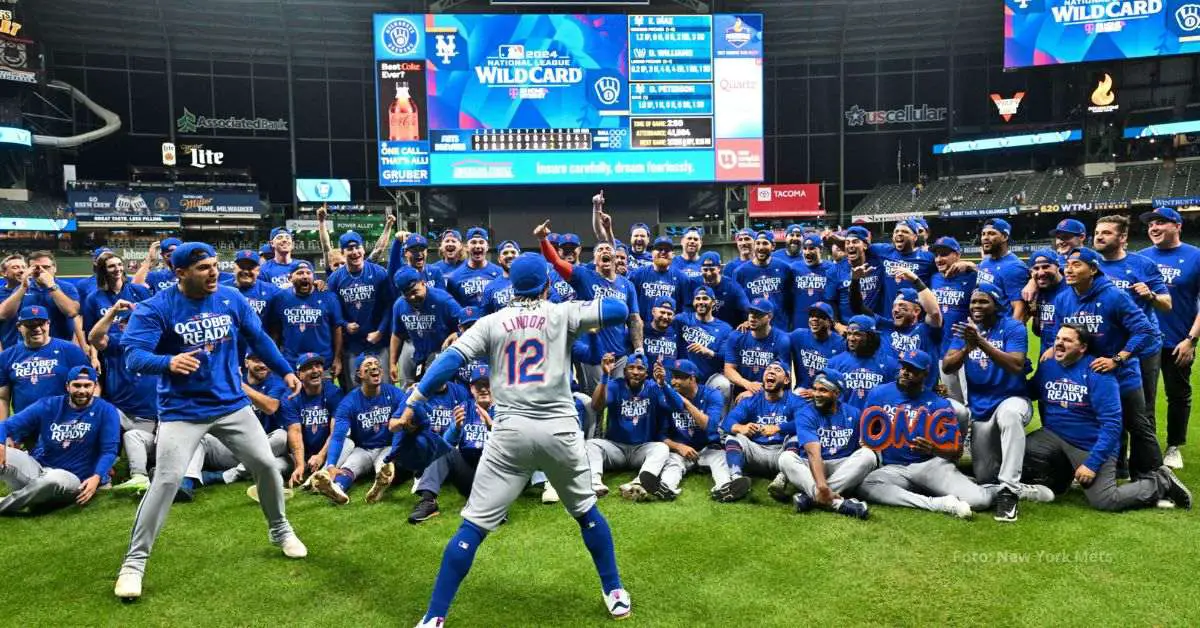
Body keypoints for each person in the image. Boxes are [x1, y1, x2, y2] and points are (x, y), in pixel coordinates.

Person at [392, 251, 632, 625]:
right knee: (586, 514)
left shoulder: (492, 321)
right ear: (547, 285)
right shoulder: (562, 312)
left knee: (472, 526)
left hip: (510, 433)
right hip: (559, 431)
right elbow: (618, 308)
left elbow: (450, 361)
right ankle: (614, 590)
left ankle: (434, 617)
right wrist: (579, 295)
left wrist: (416, 398)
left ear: (510, 287)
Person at [115, 242, 306, 601]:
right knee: (167, 480)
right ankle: (134, 563)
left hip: (231, 404)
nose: (214, 272)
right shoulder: (157, 307)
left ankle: (280, 529)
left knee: (266, 464)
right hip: (182, 410)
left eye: (216, 265)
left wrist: (285, 370)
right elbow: (133, 356)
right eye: (203, 267)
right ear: (180, 273)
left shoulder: (231, 298)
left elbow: (259, 338)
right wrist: (167, 363)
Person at [1024, 324, 1191, 512]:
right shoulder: (1048, 365)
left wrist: (1092, 464)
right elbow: (1030, 391)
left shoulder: (1099, 372)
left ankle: (1160, 482)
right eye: (1057, 339)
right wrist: (1019, 370)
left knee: (1105, 500)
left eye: (1067, 340)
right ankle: (1060, 481)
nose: (1059, 344)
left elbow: (1112, 425)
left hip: (1090, 444)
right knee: (1021, 449)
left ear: (1083, 347)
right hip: (1054, 436)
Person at [1041, 247, 1160, 480]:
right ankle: (1118, 470)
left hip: (1122, 373)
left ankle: (1154, 477)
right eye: (1068, 264)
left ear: (1093, 269)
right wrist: (1051, 349)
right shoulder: (1064, 298)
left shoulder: (1114, 296)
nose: (1069, 269)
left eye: (1077, 265)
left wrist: (1118, 358)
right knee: (1104, 423)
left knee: (1137, 424)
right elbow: (1062, 331)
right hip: (1090, 375)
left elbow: (1144, 329)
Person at [943, 284, 1052, 522]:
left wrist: (980, 342)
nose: (976, 307)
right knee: (984, 477)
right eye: (973, 302)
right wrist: (967, 347)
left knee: (1010, 416)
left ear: (997, 304)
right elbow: (947, 366)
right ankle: (1028, 490)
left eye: (983, 302)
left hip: (1012, 398)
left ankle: (1010, 491)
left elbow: (1015, 365)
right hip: (981, 408)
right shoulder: (966, 330)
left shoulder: (1012, 327)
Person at [856, 351, 991, 519]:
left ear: (925, 374)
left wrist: (935, 449)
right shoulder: (879, 394)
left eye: (912, 369)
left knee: (980, 501)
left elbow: (956, 451)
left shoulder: (938, 404)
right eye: (904, 367)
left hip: (929, 466)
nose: (905, 372)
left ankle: (1007, 490)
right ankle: (937, 503)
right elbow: (868, 429)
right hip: (893, 468)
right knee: (866, 486)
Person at [1093, 214, 1170, 455]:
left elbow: (1167, 303)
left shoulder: (1142, 264)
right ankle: (1118, 464)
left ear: (1122, 237)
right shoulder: (1091, 265)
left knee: (1142, 410)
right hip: (1106, 349)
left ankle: (1146, 465)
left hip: (1142, 348)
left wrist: (1151, 296)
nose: (1099, 236)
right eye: (1097, 233)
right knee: (1108, 408)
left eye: (1106, 232)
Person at [83, 255, 158, 495]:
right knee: (105, 419)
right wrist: (112, 314)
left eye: (118, 265)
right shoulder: (114, 334)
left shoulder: (151, 340)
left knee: (142, 438)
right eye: (110, 266)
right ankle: (104, 468)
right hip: (118, 396)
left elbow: (157, 314)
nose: (116, 269)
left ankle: (142, 469)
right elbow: (93, 336)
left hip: (147, 405)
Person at [0, 366, 119, 515]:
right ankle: (37, 495)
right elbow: (6, 425)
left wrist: (97, 477)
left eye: (87, 386)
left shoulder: (106, 410)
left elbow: (109, 450)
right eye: (77, 385)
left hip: (76, 480)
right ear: (67, 386)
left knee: (53, 480)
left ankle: (7, 504)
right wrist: (1, 444)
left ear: (94, 386)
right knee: (45, 478)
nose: (82, 390)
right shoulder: (48, 405)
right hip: (40, 469)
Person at [1137, 207, 1200, 469]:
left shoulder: (1195, 256)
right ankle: (1145, 447)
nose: (1154, 227)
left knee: (1177, 395)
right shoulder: (1139, 258)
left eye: (1161, 222)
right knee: (1141, 399)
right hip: (1143, 341)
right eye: (1151, 223)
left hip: (1178, 341)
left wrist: (1191, 340)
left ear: (1177, 226)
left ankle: (1174, 446)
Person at [776, 368, 875, 518]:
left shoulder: (854, 413)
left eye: (823, 390)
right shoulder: (805, 413)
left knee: (868, 455)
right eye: (815, 389)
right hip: (812, 465)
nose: (816, 394)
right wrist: (822, 486)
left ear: (836, 393)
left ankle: (810, 498)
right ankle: (838, 503)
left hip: (840, 466)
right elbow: (813, 453)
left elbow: (859, 447)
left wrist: (865, 445)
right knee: (786, 458)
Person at [310, 354, 405, 506]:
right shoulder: (349, 402)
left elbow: (403, 422)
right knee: (350, 466)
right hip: (364, 448)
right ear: (359, 374)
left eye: (376, 365)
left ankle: (379, 484)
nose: (374, 367)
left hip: (388, 446)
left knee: (385, 468)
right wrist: (332, 465)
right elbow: (338, 436)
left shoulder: (394, 393)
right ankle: (337, 489)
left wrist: (396, 450)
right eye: (368, 366)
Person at [587, 351, 670, 500]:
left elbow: (673, 406)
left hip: (642, 449)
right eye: (631, 368)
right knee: (592, 444)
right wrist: (605, 376)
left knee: (662, 448)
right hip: (616, 448)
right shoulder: (614, 385)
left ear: (647, 373)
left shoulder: (653, 387)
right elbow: (596, 406)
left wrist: (663, 384)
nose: (635, 372)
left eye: (640, 369)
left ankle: (638, 484)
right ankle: (595, 484)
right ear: (624, 371)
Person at [715, 361, 803, 502]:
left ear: (786, 380)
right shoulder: (751, 400)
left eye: (777, 370)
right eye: (768, 369)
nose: (771, 371)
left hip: (782, 455)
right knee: (733, 437)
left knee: (798, 437)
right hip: (756, 453)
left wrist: (778, 428)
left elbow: (805, 423)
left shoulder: (795, 401)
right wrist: (741, 428)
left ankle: (782, 479)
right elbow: (728, 421)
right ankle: (737, 479)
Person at [272, 352, 346, 500]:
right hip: (298, 455)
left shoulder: (333, 392)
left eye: (318, 365)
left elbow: (335, 432)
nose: (315, 370)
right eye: (308, 368)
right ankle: (274, 486)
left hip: (326, 454)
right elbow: (295, 432)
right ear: (299, 374)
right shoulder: (290, 396)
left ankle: (321, 478)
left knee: (347, 442)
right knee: (271, 466)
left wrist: (321, 455)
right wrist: (300, 465)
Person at [653, 358, 726, 501]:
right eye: (673, 377)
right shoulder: (666, 398)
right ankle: (666, 488)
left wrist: (686, 403)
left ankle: (724, 487)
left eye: (679, 378)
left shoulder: (712, 395)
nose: (673, 382)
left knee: (721, 459)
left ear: (692, 379)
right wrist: (678, 446)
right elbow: (659, 435)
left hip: (708, 448)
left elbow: (709, 427)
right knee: (673, 464)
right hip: (682, 451)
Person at [327, 230, 393, 386]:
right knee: (356, 388)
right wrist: (345, 324)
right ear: (343, 253)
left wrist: (381, 331)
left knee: (383, 385)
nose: (354, 252)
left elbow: (389, 306)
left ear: (363, 250)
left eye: (357, 247)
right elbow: (333, 312)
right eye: (349, 249)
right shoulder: (335, 279)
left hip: (379, 342)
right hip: (352, 345)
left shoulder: (379, 273)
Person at [0, 305, 89, 419]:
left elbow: (90, 387)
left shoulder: (70, 351)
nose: (37, 329)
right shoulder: (7, 356)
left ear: (48, 324)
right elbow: (2, 398)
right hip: (24, 426)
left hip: (62, 426)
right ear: (19, 326)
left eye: (41, 323)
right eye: (30, 325)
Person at [387, 267, 463, 389]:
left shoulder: (443, 300)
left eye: (414, 292)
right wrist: (392, 363)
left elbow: (468, 324)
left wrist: (457, 334)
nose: (412, 297)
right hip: (421, 359)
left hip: (446, 357)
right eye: (407, 295)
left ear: (423, 283)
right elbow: (397, 334)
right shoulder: (400, 305)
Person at [267, 261, 345, 377]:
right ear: (290, 278)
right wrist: (275, 359)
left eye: (308, 273)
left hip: (322, 362)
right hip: (290, 363)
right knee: (292, 395)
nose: (304, 276)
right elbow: (275, 331)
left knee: (325, 394)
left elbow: (337, 329)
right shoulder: (280, 298)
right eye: (300, 273)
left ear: (313, 277)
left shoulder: (329, 297)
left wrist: (338, 359)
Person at [0, 250, 84, 346]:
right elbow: (3, 315)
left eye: (46, 267)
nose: (41, 271)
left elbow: (72, 312)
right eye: (36, 268)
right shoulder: (22, 289)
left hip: (59, 345)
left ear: (54, 268)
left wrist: (51, 286)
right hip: (28, 348)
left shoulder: (66, 287)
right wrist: (23, 287)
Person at [929, 236, 975, 402]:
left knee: (971, 398)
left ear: (957, 255)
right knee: (954, 401)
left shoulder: (971, 277)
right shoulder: (933, 279)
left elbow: (990, 275)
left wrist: (972, 265)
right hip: (942, 347)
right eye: (937, 255)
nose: (939, 259)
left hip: (966, 346)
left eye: (944, 254)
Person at [720, 298, 792, 402]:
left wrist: (757, 391)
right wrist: (748, 385)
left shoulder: (781, 339)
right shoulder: (736, 336)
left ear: (769, 317)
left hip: (770, 393)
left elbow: (782, 375)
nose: (753, 317)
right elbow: (729, 369)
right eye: (751, 312)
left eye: (758, 314)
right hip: (741, 391)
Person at [675, 285, 734, 401]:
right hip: (684, 376)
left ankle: (719, 419)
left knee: (724, 384)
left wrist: (708, 351)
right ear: (693, 302)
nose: (701, 302)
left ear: (713, 302)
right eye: (698, 299)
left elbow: (725, 357)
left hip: (709, 379)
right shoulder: (682, 319)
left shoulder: (725, 328)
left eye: (705, 299)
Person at [828, 315, 899, 404]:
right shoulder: (833, 363)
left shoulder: (890, 365)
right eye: (849, 334)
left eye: (857, 334)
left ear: (870, 337)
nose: (851, 339)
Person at [734, 231, 792, 329]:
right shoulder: (740, 272)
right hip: (753, 329)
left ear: (773, 246)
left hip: (780, 327)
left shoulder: (784, 268)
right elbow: (737, 303)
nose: (761, 247)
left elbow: (790, 300)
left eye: (765, 243)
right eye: (758, 243)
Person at [975, 218, 1030, 321]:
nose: (985, 238)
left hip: (1003, 330)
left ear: (1004, 236)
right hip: (986, 328)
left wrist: (1011, 334)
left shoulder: (1014, 266)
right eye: (983, 234)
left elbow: (1020, 309)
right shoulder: (985, 263)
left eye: (991, 233)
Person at [629, 236, 691, 323]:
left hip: (670, 333)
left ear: (673, 254)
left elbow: (687, 308)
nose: (663, 252)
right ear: (652, 253)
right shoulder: (637, 275)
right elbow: (629, 304)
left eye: (667, 250)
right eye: (659, 249)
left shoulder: (682, 278)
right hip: (643, 330)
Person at [788, 302, 846, 394]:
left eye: (819, 316)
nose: (814, 319)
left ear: (830, 321)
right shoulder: (798, 335)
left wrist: (816, 391)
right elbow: (777, 339)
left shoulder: (841, 344)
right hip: (802, 390)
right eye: (811, 315)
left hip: (828, 392)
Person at [830, 226, 883, 322]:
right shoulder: (834, 270)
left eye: (855, 242)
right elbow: (830, 301)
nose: (850, 245)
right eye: (847, 243)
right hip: (849, 329)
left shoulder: (878, 263)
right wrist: (837, 325)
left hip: (874, 327)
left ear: (865, 246)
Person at [788, 233, 835, 331]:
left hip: (823, 320)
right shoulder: (794, 268)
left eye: (812, 248)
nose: (807, 252)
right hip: (800, 320)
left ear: (821, 249)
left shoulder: (831, 268)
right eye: (805, 248)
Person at [446, 227, 503, 308]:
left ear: (487, 247)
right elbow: (452, 309)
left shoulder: (499, 273)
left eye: (481, 242)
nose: (477, 246)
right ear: (466, 247)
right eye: (473, 242)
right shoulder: (454, 277)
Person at [1027, 249, 1069, 358]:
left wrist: (1054, 348)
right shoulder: (1038, 290)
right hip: (1045, 353)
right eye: (1036, 268)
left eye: (1046, 267)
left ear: (1058, 267)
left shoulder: (1071, 289)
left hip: (1067, 355)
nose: (1041, 272)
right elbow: (1038, 331)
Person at [694, 251, 750, 328]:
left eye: (712, 269)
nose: (709, 273)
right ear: (700, 269)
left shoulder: (732, 286)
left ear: (719, 268)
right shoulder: (695, 284)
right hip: (704, 331)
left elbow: (746, 307)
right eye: (705, 270)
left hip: (729, 329)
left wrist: (748, 321)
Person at [642, 296, 681, 366]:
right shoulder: (642, 330)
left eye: (669, 314)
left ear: (674, 316)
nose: (665, 317)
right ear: (653, 311)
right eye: (662, 312)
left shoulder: (677, 334)